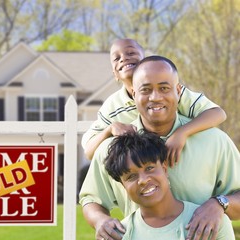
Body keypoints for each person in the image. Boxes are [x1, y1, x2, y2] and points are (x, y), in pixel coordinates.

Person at [79, 55, 240, 240]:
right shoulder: (113, 150)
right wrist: (100, 221)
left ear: (178, 91)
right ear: (133, 93)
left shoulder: (215, 141)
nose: (155, 97)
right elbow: (90, 199)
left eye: (164, 88)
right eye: (146, 90)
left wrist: (219, 204)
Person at [82, 39, 226, 167]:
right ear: (115, 74)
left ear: (145, 61)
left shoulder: (170, 92)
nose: (124, 58)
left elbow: (218, 114)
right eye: (116, 58)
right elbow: (89, 152)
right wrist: (110, 129)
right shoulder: (112, 106)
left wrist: (182, 133)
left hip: (183, 161)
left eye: (131, 53)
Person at [101, 131, 237, 240]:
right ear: (123, 186)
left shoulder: (213, 222)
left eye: (149, 168)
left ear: (165, 169)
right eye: (131, 176)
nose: (143, 180)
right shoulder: (114, 237)